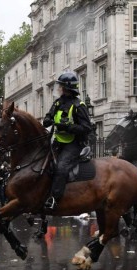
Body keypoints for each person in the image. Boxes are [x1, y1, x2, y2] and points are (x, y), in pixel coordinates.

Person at [42, 72, 92, 210]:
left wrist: (68, 127)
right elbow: (49, 116)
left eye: (61, 86)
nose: (58, 89)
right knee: (43, 164)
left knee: (61, 167)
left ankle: (54, 198)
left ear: (68, 87)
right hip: (58, 141)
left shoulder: (79, 105)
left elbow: (87, 128)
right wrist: (47, 120)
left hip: (74, 144)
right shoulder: (58, 102)